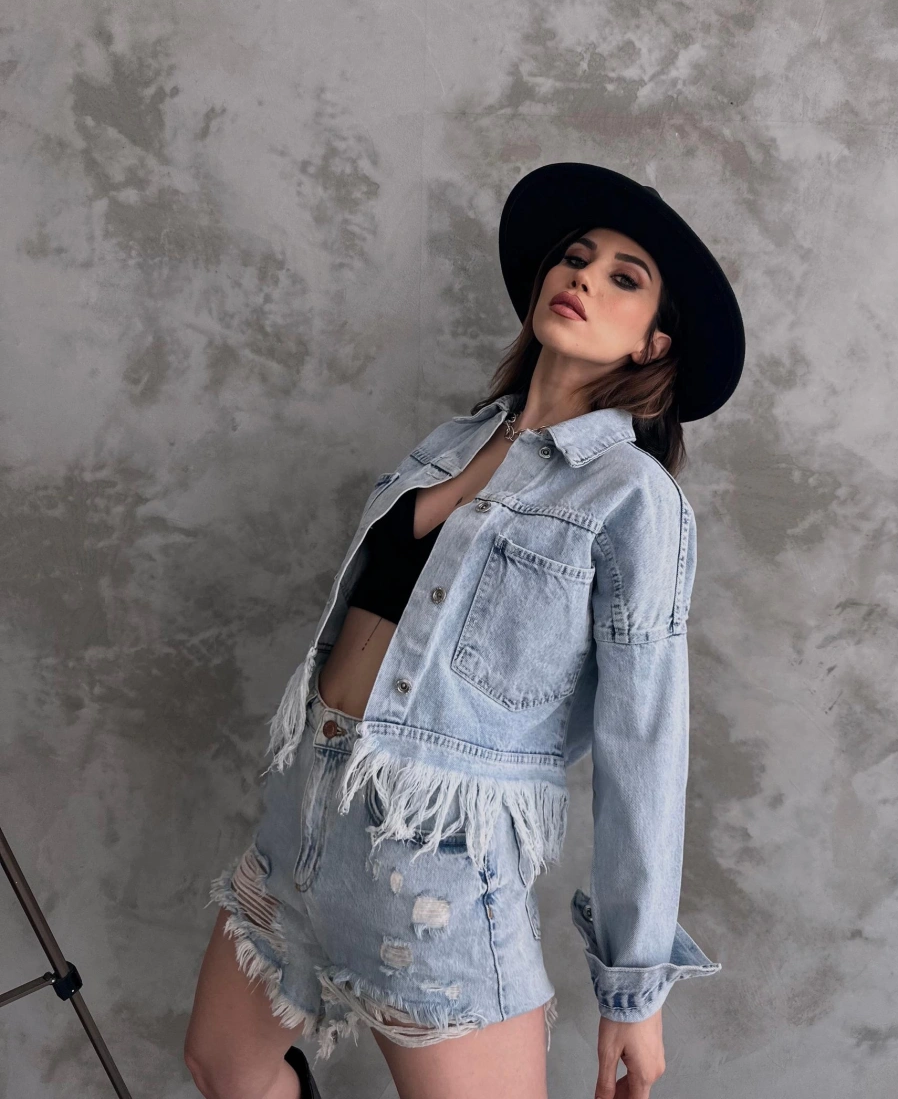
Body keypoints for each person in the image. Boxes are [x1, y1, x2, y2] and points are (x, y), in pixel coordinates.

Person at [184, 162, 745, 1099]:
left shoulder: (633, 498)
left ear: (653, 342)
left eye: (623, 277)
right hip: (301, 824)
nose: (583, 277)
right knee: (225, 1069)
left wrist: (635, 989)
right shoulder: (452, 442)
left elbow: (645, 746)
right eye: (575, 258)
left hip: (432, 869)